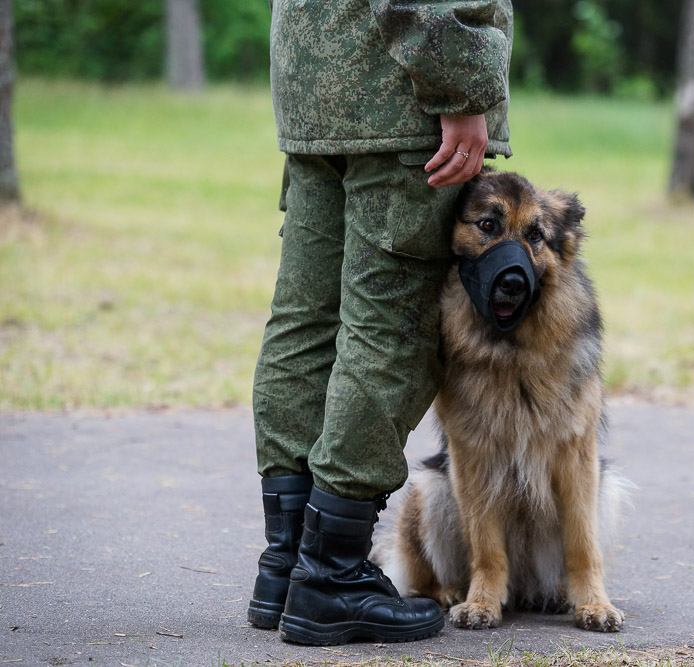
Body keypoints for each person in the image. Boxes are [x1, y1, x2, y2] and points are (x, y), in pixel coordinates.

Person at [245, 0, 514, 646]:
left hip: (317, 79)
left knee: (307, 321)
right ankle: (330, 574)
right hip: (398, 92)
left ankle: (289, 562)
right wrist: (459, 80)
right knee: (393, 329)